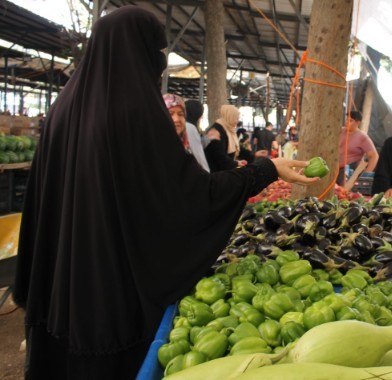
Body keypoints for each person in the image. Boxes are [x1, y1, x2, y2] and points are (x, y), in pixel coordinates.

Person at [12, 7, 317, 379]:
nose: (159, 63)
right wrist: (266, 170)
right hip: (110, 291)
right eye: (159, 52)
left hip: (60, 285)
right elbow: (186, 197)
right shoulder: (137, 111)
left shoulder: (63, 107)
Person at [166, 95, 210, 172]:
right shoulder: (153, 146)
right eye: (170, 113)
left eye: (180, 114)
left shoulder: (183, 140)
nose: (176, 119)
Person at [337, 110, 379, 186]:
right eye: (347, 119)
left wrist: (365, 174)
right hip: (333, 168)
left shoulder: (362, 137)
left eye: (350, 121)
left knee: (343, 193)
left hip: (348, 171)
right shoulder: (339, 131)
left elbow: (374, 156)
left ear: (358, 123)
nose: (347, 122)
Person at [204, 104, 247, 172]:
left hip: (223, 172)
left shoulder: (228, 129)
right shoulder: (217, 130)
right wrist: (236, 163)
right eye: (236, 118)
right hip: (215, 174)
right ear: (230, 117)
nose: (237, 121)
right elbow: (220, 157)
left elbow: (234, 148)